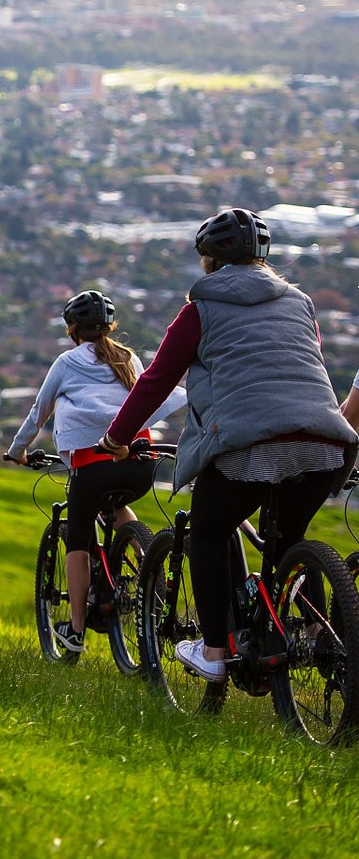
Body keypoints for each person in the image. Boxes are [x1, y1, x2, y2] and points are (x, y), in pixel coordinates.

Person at [100, 208, 358, 681]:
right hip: (328, 443)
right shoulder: (300, 302)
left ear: (209, 261)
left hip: (250, 446)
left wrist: (117, 438)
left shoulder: (199, 312)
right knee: (289, 540)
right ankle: (319, 641)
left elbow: (156, 381)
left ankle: (215, 652)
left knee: (209, 530)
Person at [6, 289, 187, 653]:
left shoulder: (66, 362)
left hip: (93, 465)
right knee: (118, 505)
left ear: (73, 329)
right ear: (109, 326)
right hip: (139, 464)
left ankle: (75, 629)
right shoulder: (127, 357)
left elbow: (39, 413)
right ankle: (147, 566)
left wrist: (18, 452)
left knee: (77, 534)